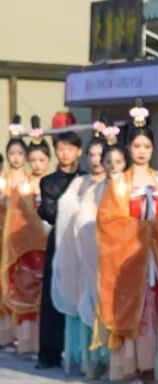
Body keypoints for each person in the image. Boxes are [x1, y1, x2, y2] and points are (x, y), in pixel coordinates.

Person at [94, 106, 158, 384]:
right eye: (137, 146)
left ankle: (155, 367)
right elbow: (107, 220)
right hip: (130, 255)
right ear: (129, 147)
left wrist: (157, 229)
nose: (141, 151)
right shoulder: (118, 183)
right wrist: (141, 228)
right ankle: (131, 366)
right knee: (135, 309)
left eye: (146, 146)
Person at [51, 128, 105, 373]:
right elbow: (65, 206)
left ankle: (107, 357)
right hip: (82, 250)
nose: (96, 160)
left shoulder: (116, 184)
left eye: (100, 155)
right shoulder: (80, 182)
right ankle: (86, 357)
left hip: (106, 249)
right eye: (92, 155)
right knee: (85, 300)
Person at [1, 116, 50, 356]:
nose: (37, 164)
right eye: (33, 160)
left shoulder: (52, 183)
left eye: (41, 159)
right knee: (25, 290)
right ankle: (26, 340)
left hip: (47, 243)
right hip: (24, 245)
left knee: (45, 294)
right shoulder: (22, 186)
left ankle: (46, 342)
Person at [77, 135, 125, 379]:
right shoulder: (95, 191)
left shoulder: (130, 188)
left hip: (126, 255)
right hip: (101, 255)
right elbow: (84, 222)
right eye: (109, 161)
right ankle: (100, 359)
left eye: (118, 161)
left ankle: (123, 362)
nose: (113, 166)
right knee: (100, 303)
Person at [37, 127, 84, 370]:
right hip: (60, 239)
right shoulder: (48, 182)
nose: (65, 153)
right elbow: (49, 212)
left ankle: (81, 351)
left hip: (83, 240)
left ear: (79, 151)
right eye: (61, 149)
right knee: (52, 291)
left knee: (82, 291)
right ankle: (49, 351)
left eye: (70, 149)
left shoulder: (87, 179)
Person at [0, 117, 30, 348]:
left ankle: (22, 333)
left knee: (21, 283)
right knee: (4, 283)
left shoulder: (31, 181)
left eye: (20, 154)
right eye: (12, 154)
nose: (16, 158)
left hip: (23, 239)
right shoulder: (3, 181)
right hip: (3, 236)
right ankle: (5, 333)